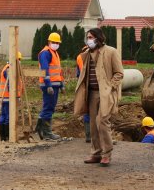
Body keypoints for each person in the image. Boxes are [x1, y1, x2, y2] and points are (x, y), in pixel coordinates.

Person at [74, 28, 124, 167]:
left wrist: (110, 87)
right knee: (93, 125)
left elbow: (119, 73)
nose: (88, 40)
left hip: (105, 94)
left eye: (90, 37)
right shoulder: (87, 54)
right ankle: (96, 153)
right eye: (87, 37)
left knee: (102, 122)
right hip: (91, 93)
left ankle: (106, 154)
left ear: (98, 38)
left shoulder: (111, 52)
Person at [35, 32, 65, 141]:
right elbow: (45, 69)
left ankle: (40, 129)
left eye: (57, 42)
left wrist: (61, 84)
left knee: (49, 107)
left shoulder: (54, 53)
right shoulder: (46, 53)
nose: (56, 44)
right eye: (54, 42)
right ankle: (47, 133)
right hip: (49, 85)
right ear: (49, 42)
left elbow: (58, 71)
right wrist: (48, 85)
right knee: (49, 107)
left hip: (54, 85)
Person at [0, 51, 22, 141]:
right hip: (9, 98)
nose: (19, 61)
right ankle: (7, 136)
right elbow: (10, 84)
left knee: (4, 116)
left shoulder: (8, 68)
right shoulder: (9, 69)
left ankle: (3, 137)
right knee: (8, 116)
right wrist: (16, 96)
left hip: (4, 97)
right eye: (18, 60)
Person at [76, 51, 91, 143]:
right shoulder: (97, 54)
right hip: (93, 87)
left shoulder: (79, 57)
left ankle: (88, 136)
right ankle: (95, 135)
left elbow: (78, 74)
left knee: (87, 110)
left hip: (83, 87)